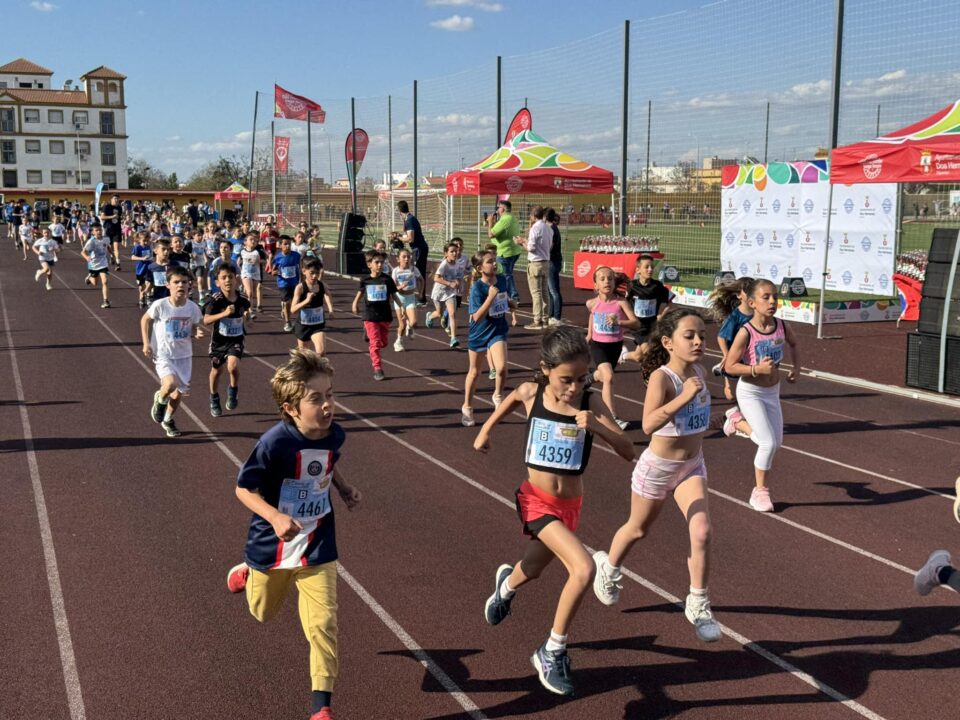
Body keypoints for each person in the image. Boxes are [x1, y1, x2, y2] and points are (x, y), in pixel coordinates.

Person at [474, 326, 634, 696]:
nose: (575, 387)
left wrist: (598, 427)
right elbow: (512, 399)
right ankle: (552, 649)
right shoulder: (534, 392)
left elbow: (628, 450)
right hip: (535, 500)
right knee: (583, 567)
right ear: (545, 369)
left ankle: (506, 586)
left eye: (582, 378)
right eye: (566, 379)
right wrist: (486, 430)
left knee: (533, 566)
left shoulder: (589, 403)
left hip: (570, 505)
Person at [225, 349, 360, 720]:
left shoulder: (335, 434)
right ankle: (248, 573)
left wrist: (344, 488)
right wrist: (274, 517)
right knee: (263, 613)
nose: (327, 404)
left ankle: (321, 708)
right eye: (316, 399)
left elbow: (326, 467)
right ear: (290, 408)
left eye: (329, 394)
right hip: (273, 546)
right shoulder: (274, 443)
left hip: (318, 544)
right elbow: (243, 488)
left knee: (323, 624)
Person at [592, 308, 721, 643]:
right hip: (659, 468)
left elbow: (695, 418)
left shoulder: (701, 371)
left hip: (692, 464)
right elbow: (648, 424)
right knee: (637, 529)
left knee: (703, 531)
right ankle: (609, 568)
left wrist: (718, 421)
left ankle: (698, 602)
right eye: (689, 336)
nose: (697, 342)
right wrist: (684, 398)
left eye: (701, 336)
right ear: (668, 342)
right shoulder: (665, 378)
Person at [722, 279, 799, 512]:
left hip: (772, 391)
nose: (773, 301)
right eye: (766, 297)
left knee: (777, 443)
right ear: (752, 303)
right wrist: (756, 369)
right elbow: (729, 366)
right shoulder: (746, 332)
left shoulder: (781, 326)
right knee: (767, 443)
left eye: (775, 296)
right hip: (750, 391)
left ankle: (736, 422)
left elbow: (794, 344)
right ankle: (760, 493)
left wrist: (796, 368)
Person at [141, 266, 203, 438]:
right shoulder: (160, 305)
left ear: (190, 285)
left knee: (177, 395)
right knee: (169, 385)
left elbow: (196, 325)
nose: (180, 285)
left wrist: (196, 332)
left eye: (184, 282)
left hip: (184, 356)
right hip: (163, 354)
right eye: (176, 282)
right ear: (168, 285)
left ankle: (168, 420)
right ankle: (159, 401)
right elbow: (145, 320)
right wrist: (146, 343)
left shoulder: (192, 307)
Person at [462, 248, 516, 427]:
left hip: (498, 329)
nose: (494, 263)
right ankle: (467, 407)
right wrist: (490, 297)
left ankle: (498, 396)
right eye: (489, 261)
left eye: (494, 260)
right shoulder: (477, 288)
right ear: (479, 268)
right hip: (479, 332)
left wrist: (510, 303)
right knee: (475, 372)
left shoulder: (501, 280)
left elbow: (504, 299)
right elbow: (476, 316)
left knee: (501, 368)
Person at [586, 266, 638, 429]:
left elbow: (636, 323)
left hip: (615, 345)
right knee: (608, 377)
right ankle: (612, 418)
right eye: (602, 279)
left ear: (615, 282)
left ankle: (591, 377)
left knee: (603, 375)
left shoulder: (620, 302)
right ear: (596, 285)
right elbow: (592, 316)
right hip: (598, 345)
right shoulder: (591, 303)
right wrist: (588, 336)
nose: (606, 281)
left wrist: (619, 322)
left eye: (610, 278)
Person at [203, 264, 250, 417]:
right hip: (219, 342)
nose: (228, 280)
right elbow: (206, 320)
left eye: (231, 277)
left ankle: (233, 390)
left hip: (236, 339)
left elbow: (246, 310)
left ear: (236, 279)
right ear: (217, 282)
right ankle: (214, 397)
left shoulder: (242, 298)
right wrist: (223, 314)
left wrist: (247, 319)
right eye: (223, 278)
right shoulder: (215, 300)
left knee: (233, 366)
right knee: (217, 371)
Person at [351, 249, 400, 381]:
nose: (380, 265)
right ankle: (377, 368)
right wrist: (354, 304)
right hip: (370, 315)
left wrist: (401, 308)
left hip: (384, 315)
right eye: (376, 262)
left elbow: (394, 295)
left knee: (384, 343)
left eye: (382, 262)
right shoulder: (365, 280)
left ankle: (368, 333)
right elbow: (360, 293)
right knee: (375, 343)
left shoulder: (387, 279)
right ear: (369, 264)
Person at [620, 255, 673, 364]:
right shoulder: (631, 286)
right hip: (638, 326)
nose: (650, 269)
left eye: (652, 267)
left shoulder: (657, 286)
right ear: (638, 270)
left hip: (652, 325)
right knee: (649, 351)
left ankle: (623, 356)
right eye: (647, 267)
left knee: (638, 357)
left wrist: (661, 314)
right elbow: (623, 303)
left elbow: (669, 301)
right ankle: (656, 376)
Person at [710, 277, 755, 402]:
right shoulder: (735, 316)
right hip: (735, 357)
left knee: (749, 391)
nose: (752, 293)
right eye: (748, 291)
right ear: (739, 295)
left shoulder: (758, 312)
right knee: (731, 396)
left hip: (750, 356)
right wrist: (727, 355)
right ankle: (725, 372)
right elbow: (721, 337)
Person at [291, 258, 335, 355]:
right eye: (312, 273)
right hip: (304, 325)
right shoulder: (300, 288)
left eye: (317, 273)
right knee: (304, 357)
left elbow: (328, 295)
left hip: (318, 324)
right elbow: (293, 310)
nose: (315, 276)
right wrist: (306, 301)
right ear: (304, 271)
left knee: (321, 352)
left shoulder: (321, 285)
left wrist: (331, 310)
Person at [426, 243, 463, 348]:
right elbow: (436, 278)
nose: (455, 253)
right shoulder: (444, 264)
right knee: (439, 313)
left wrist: (459, 285)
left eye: (456, 251)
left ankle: (453, 338)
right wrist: (449, 283)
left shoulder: (458, 264)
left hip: (450, 293)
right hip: (439, 292)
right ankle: (430, 316)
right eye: (452, 251)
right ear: (446, 253)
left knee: (452, 314)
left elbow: (459, 276)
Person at [487, 199, 523, 302]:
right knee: (508, 274)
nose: (497, 210)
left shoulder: (505, 219)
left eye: (498, 208)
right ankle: (509, 295)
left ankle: (513, 296)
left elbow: (491, 234)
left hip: (505, 252)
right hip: (513, 251)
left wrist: (490, 222)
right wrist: (493, 223)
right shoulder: (512, 217)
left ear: (502, 209)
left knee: (505, 274)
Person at [524, 206, 552, 330]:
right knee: (545, 291)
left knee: (536, 293)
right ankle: (545, 319)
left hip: (535, 262)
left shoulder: (535, 228)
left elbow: (531, 248)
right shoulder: (548, 227)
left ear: (533, 216)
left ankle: (537, 320)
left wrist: (522, 243)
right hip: (545, 262)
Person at [397, 200, 430, 304]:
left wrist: (399, 238)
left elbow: (410, 239)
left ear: (400, 211)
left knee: (418, 273)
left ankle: (421, 298)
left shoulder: (409, 220)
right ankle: (420, 297)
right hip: (418, 248)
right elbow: (409, 236)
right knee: (417, 272)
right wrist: (400, 236)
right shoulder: (411, 218)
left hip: (419, 249)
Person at [390, 248, 421, 351]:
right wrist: (400, 287)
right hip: (399, 299)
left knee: (414, 322)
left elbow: (422, 280)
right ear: (398, 259)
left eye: (408, 256)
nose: (407, 259)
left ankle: (409, 326)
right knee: (401, 324)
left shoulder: (413, 269)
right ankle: (398, 342)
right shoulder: (395, 271)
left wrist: (420, 293)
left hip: (410, 297)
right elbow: (392, 288)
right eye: (404, 257)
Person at [273, 236, 302, 333]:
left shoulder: (296, 255)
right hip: (283, 284)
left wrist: (301, 280)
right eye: (285, 244)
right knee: (287, 302)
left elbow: (300, 268)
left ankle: (288, 313)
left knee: (296, 303)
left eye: (289, 244)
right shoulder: (277, 257)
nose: (288, 246)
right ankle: (287, 322)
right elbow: (273, 271)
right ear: (280, 245)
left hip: (295, 282)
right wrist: (279, 272)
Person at [82, 224, 112, 308]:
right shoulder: (91, 241)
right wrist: (87, 257)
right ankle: (89, 277)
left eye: (100, 230)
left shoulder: (106, 239)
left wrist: (112, 256)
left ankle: (106, 301)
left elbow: (108, 247)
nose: (99, 231)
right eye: (96, 230)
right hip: (93, 264)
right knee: (95, 283)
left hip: (103, 263)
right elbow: (83, 252)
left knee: (105, 281)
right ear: (93, 232)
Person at [545, 208, 564, 326]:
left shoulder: (551, 229)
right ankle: (552, 315)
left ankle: (556, 317)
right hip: (553, 261)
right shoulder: (553, 228)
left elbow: (549, 247)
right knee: (551, 291)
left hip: (552, 261)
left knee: (554, 291)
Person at [239, 233, 264, 320]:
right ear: (245, 242)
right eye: (251, 240)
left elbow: (264, 260)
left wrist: (258, 261)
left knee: (253, 292)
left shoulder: (258, 251)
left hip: (256, 274)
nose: (253, 241)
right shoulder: (242, 251)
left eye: (254, 240)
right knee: (249, 292)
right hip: (245, 273)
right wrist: (238, 265)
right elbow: (239, 261)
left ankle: (244, 305)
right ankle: (251, 311)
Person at [99, 194, 124, 270]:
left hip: (117, 229)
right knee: (108, 246)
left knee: (116, 247)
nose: (116, 200)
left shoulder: (119, 207)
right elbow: (102, 217)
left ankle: (118, 264)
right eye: (115, 198)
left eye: (117, 199)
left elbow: (119, 217)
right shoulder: (107, 206)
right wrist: (112, 217)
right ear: (111, 199)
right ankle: (112, 255)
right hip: (108, 229)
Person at [32, 227, 59, 291]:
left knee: (49, 273)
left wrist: (54, 249)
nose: (46, 234)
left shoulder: (53, 241)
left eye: (47, 232)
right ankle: (39, 272)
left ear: (50, 233)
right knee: (46, 269)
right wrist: (38, 252)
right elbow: (33, 247)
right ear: (42, 233)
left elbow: (58, 249)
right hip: (43, 258)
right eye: (45, 233)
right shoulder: (40, 240)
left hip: (50, 258)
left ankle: (48, 284)